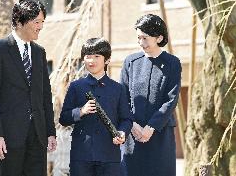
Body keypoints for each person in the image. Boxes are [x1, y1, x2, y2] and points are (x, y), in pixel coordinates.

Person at [0, 0, 56, 176]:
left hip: (38, 137)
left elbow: (45, 95)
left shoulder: (40, 53)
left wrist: (50, 132)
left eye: (42, 22)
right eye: (36, 22)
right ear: (19, 21)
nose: (41, 26)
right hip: (8, 137)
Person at [59, 38, 133, 176]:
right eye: (87, 57)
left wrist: (122, 132)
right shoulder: (76, 86)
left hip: (109, 155)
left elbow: (126, 119)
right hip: (81, 155)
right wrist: (81, 111)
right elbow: (63, 118)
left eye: (96, 56)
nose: (91, 61)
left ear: (107, 60)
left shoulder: (118, 89)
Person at [120, 14, 182, 176]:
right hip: (133, 135)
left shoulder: (172, 63)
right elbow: (122, 98)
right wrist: (133, 125)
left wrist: (151, 127)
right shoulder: (130, 62)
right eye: (139, 38)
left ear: (159, 37)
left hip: (160, 135)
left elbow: (171, 99)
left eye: (145, 38)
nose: (141, 43)